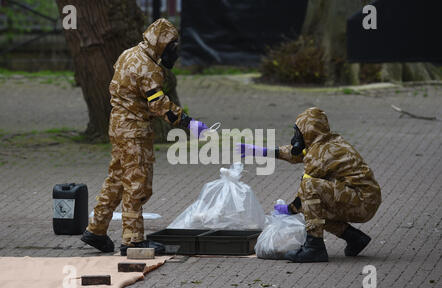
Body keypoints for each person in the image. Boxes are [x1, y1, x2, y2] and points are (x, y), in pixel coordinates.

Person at [81, 18, 209, 256]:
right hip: (134, 131)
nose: (174, 52)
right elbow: (159, 105)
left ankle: (96, 229)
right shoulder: (149, 69)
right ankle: (133, 241)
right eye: (171, 46)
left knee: (117, 179)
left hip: (118, 125)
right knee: (136, 184)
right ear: (161, 44)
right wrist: (187, 123)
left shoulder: (128, 54)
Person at [237, 107, 381, 262]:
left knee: (309, 191)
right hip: (363, 198)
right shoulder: (325, 143)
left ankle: (314, 248)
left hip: (362, 202)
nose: (296, 137)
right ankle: (355, 238)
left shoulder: (321, 154)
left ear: (308, 131)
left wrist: (290, 209)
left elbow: (306, 191)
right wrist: (262, 151)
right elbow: (295, 153)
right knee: (314, 207)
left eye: (298, 132)